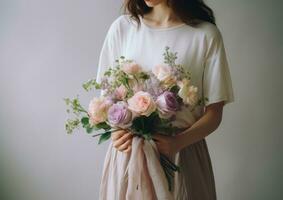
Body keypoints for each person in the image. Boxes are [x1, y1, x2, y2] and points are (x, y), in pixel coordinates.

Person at [96, 0, 235, 199]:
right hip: (127, 158)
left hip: (181, 157)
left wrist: (177, 143)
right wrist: (116, 131)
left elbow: (214, 113)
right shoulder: (123, 28)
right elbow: (106, 100)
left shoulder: (205, 35)